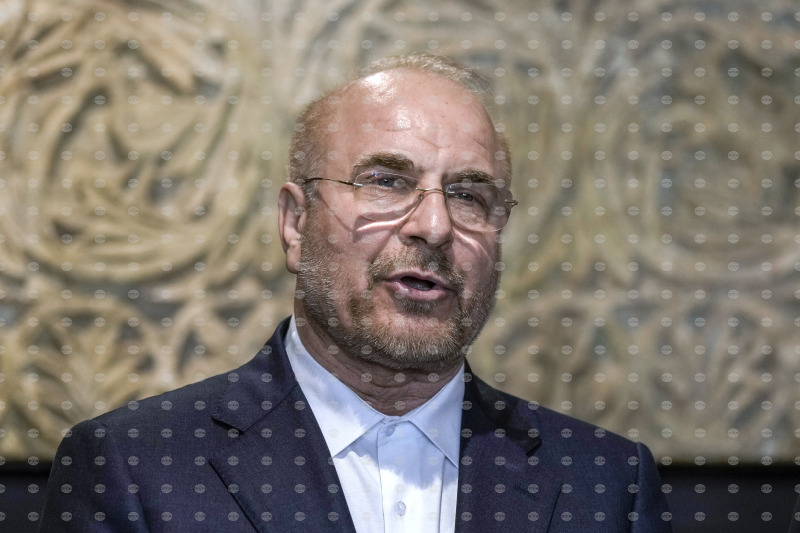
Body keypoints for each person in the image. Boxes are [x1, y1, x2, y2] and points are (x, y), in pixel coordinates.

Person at [39, 53, 671, 532]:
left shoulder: (606, 486)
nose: (434, 226)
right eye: (386, 182)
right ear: (296, 224)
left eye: (469, 196)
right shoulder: (136, 468)